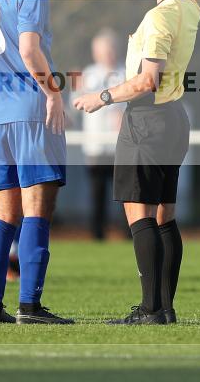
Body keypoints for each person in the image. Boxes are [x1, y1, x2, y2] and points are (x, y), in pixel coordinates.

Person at [74, 0, 200, 325]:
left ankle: (150, 309)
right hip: (173, 119)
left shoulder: (161, 19)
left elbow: (147, 81)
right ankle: (164, 308)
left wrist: (102, 96)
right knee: (165, 216)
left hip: (146, 120)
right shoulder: (187, 6)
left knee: (139, 214)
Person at [0, 0, 79, 324]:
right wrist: (53, 92)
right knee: (38, 207)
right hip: (28, 109)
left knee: (4, 211)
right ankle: (30, 307)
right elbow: (29, 50)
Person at [73, 29, 126, 241]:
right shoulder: (89, 74)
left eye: (111, 49)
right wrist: (77, 90)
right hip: (95, 145)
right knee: (97, 192)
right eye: (103, 50)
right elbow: (76, 103)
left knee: (126, 191)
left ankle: (130, 233)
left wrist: (121, 113)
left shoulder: (126, 72)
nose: (108, 54)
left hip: (121, 145)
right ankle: (97, 234)